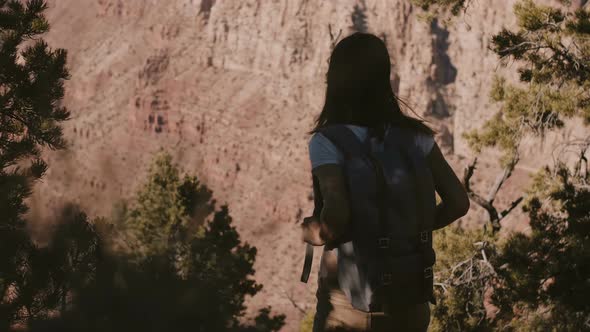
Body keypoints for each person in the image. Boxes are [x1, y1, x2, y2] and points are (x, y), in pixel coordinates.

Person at [301, 32, 470, 332]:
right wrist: (403, 227)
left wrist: (311, 232)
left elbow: (335, 217)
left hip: (350, 309)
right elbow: (458, 202)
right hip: (411, 307)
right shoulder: (417, 136)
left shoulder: (328, 142)